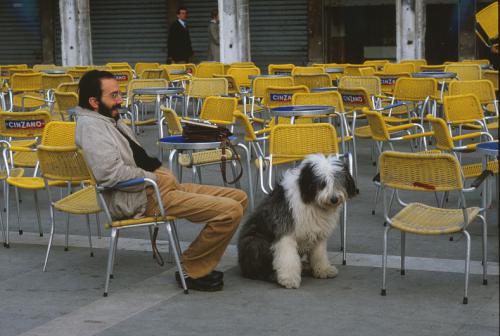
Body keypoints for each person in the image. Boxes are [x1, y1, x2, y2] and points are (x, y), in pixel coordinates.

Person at [74, 70, 247, 291]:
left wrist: (160, 176)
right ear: (94, 101)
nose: (120, 100)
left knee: (239, 197)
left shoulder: (109, 118)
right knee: (230, 211)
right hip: (141, 197)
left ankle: (199, 260)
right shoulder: (92, 127)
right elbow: (110, 174)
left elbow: (139, 158)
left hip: (157, 187)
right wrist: (154, 178)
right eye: (114, 95)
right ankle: (191, 267)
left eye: (119, 94)